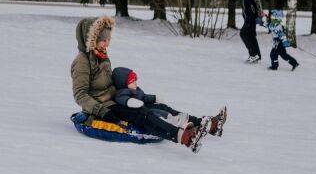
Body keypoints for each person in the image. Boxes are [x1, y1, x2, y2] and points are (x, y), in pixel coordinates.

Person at [71, 16, 227, 152]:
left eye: (108, 40)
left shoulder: (102, 55)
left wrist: (129, 88)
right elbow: (80, 94)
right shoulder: (82, 62)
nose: (107, 44)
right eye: (103, 40)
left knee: (159, 107)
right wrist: (101, 111)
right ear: (91, 40)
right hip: (104, 107)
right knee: (143, 114)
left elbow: (108, 81)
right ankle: (185, 138)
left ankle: (209, 125)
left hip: (117, 99)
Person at [111, 66, 227, 136]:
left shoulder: (137, 90)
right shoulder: (123, 92)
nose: (136, 83)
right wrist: (130, 102)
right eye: (132, 81)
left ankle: (204, 122)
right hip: (143, 111)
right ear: (123, 83)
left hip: (147, 106)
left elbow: (144, 97)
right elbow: (121, 99)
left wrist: (154, 98)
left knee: (168, 109)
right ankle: (197, 126)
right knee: (165, 115)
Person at [238, 0, 263, 64]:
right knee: (251, 35)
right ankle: (257, 55)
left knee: (243, 33)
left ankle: (253, 55)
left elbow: (258, 0)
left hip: (251, 16)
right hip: (248, 16)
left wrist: (260, 13)